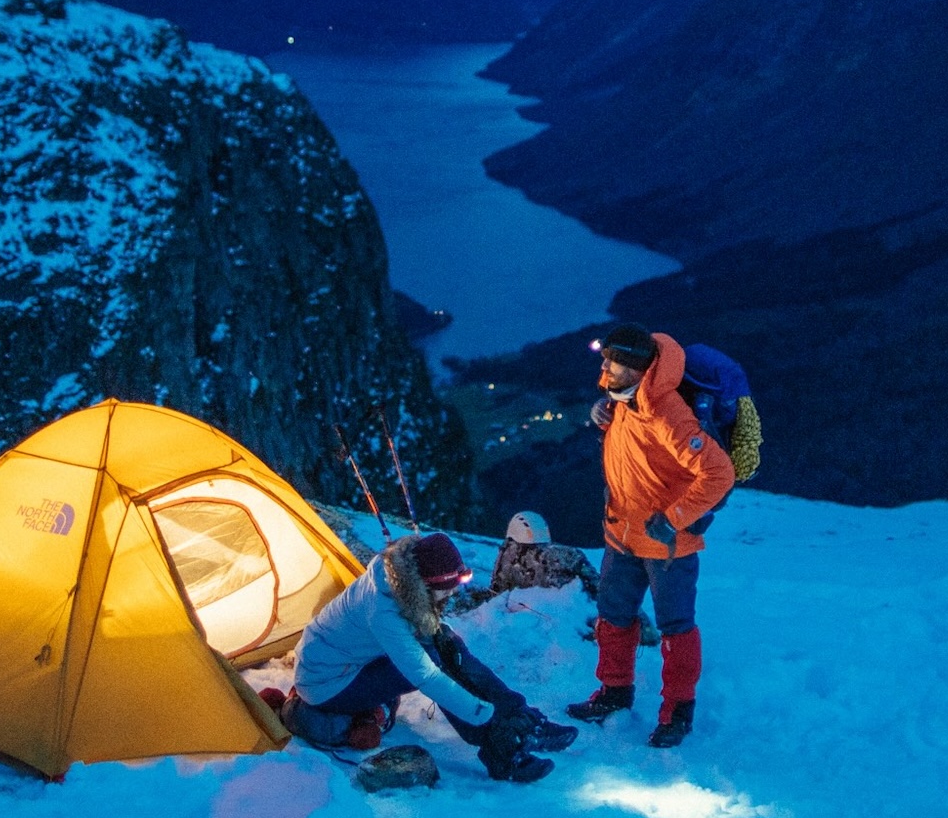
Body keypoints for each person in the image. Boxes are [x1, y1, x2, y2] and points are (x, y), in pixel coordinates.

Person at [283, 531, 576, 782]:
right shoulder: (384, 610)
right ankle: (501, 747)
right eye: (449, 589)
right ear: (429, 586)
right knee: (433, 661)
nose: (452, 595)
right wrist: (486, 716)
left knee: (448, 645)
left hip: (348, 662)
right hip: (327, 683)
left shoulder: (400, 579)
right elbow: (425, 676)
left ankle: (521, 718)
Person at [567, 324, 734, 748]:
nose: (604, 365)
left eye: (612, 361)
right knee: (614, 614)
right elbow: (638, 454)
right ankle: (614, 691)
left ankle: (678, 711)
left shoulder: (666, 412)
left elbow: (718, 473)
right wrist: (600, 414)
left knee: (676, 625)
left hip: (666, 543)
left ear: (637, 368)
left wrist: (675, 517)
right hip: (623, 535)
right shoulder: (626, 400)